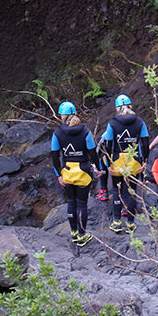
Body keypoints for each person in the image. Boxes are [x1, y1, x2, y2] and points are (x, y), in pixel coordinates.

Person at [50, 101, 101, 247]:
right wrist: (98, 168)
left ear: (62, 116)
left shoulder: (57, 133)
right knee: (82, 205)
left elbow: (54, 156)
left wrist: (58, 175)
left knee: (71, 202)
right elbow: (92, 152)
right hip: (83, 173)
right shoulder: (85, 131)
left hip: (67, 173)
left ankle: (73, 232)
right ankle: (82, 235)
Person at [98, 94, 150, 234]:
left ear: (117, 108)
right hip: (134, 161)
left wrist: (108, 165)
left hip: (117, 161)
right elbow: (145, 142)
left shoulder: (113, 123)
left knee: (117, 190)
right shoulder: (139, 122)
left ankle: (116, 222)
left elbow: (108, 144)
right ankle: (131, 224)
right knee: (132, 191)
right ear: (130, 106)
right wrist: (144, 161)